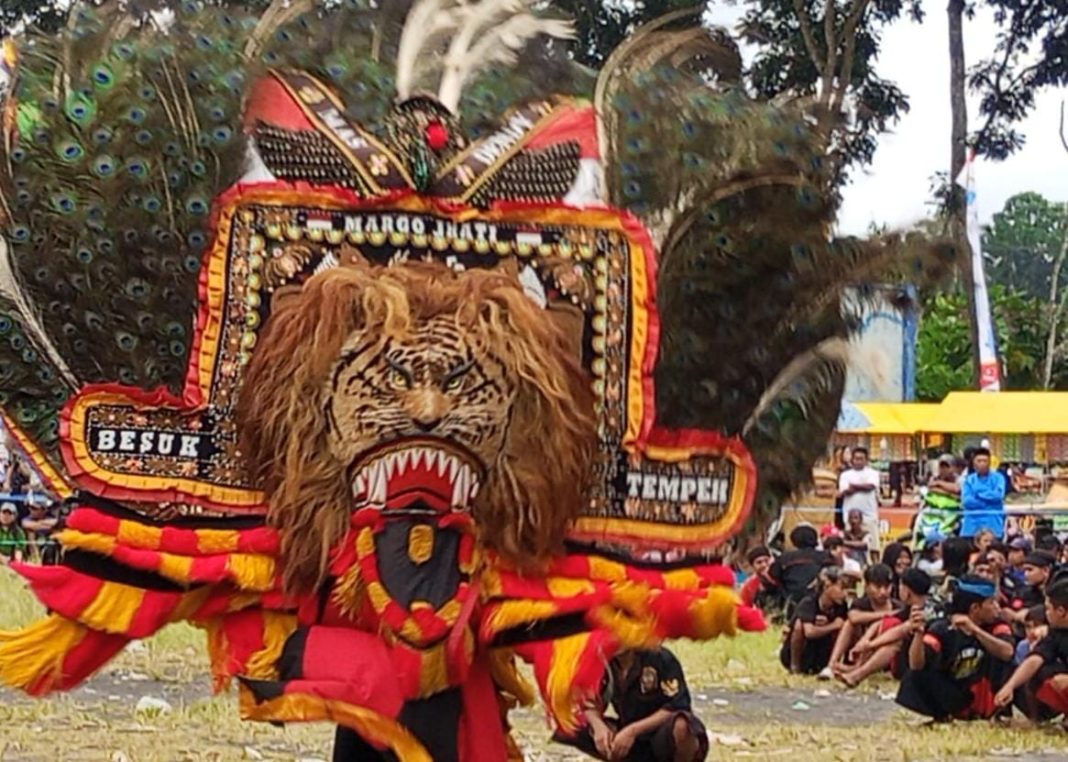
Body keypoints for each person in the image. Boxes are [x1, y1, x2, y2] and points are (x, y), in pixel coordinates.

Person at [896, 575, 1014, 722]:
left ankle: (996, 713)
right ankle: (942, 714)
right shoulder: (943, 628)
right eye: (992, 602)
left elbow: (1007, 653)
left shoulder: (997, 625)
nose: (997, 607)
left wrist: (975, 630)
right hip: (956, 693)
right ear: (975, 608)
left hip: (987, 693)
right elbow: (916, 665)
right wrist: (919, 634)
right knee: (914, 676)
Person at [559, 647, 709, 762]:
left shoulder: (659, 657)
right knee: (571, 724)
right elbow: (588, 701)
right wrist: (599, 727)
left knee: (682, 725)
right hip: (628, 733)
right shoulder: (601, 661)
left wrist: (632, 731)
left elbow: (677, 704)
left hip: (661, 733)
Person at [837, 567, 933, 688]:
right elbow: (880, 623)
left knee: (895, 643)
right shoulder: (911, 607)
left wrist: (870, 644)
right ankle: (854, 669)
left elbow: (901, 630)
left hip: (925, 660)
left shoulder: (924, 610)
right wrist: (865, 640)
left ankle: (857, 674)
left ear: (906, 590)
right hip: (916, 657)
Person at [995, 580, 1068, 721]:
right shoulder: (1056, 633)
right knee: (1040, 672)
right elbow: (1035, 659)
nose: (1046, 614)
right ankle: (1037, 719)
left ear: (1061, 611)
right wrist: (1009, 686)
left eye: (1048, 609)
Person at [822, 563, 897, 680]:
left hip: (882, 651)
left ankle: (855, 669)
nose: (883, 592)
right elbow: (854, 618)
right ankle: (831, 665)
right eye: (878, 587)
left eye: (887, 587)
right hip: (860, 650)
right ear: (866, 586)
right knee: (848, 624)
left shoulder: (898, 606)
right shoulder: (860, 604)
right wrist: (887, 615)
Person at [780, 566, 849, 675]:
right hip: (803, 653)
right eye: (842, 588)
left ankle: (833, 665)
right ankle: (795, 666)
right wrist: (833, 625)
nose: (845, 594)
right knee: (799, 625)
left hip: (821, 655)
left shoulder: (841, 606)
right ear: (827, 585)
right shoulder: (809, 603)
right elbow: (809, 632)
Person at [768, 525, 832, 612]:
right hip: (819, 602)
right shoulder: (825, 556)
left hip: (791, 601)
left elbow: (773, 575)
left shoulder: (784, 558)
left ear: (794, 541)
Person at [837, 448, 881, 555]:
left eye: (861, 459)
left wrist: (853, 486)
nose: (858, 461)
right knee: (849, 549)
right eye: (856, 459)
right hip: (850, 517)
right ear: (852, 459)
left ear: (866, 460)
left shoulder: (873, 473)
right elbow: (844, 492)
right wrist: (861, 486)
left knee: (873, 548)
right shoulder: (845, 475)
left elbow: (870, 486)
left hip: (869, 516)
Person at [961, 448, 1007, 539]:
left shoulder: (999, 478)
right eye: (979, 461)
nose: (982, 464)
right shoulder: (969, 480)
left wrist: (978, 493)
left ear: (989, 463)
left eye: (985, 461)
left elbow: (998, 496)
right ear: (974, 463)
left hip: (993, 525)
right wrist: (988, 503)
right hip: (971, 526)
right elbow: (967, 501)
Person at [916, 454, 962, 540]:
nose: (944, 470)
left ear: (953, 468)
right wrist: (948, 491)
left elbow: (957, 489)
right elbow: (930, 488)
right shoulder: (934, 478)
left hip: (952, 515)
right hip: (933, 514)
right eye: (941, 467)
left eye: (947, 467)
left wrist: (939, 484)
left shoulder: (959, 479)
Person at [739, 546, 783, 617]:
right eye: (759, 562)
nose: (764, 565)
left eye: (766, 561)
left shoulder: (782, 577)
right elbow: (744, 609)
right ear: (752, 566)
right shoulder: (750, 586)